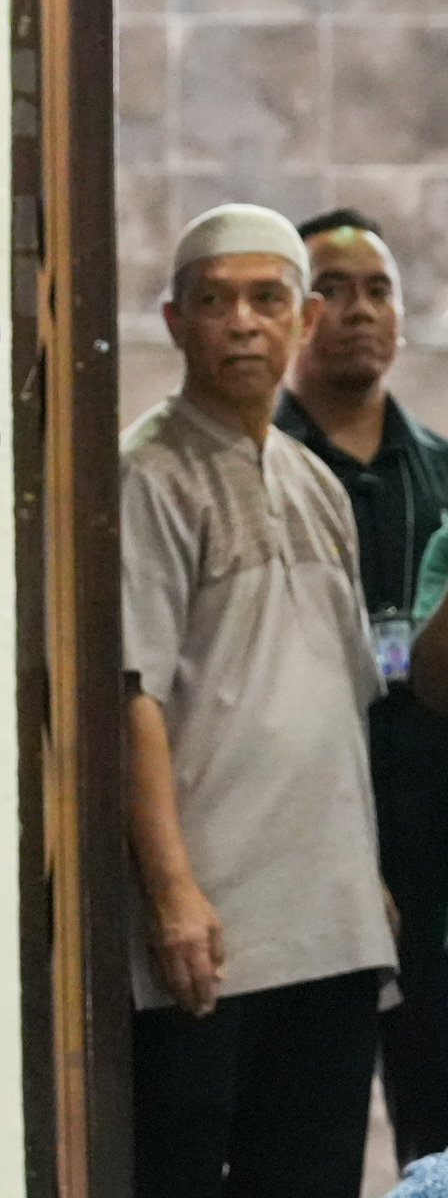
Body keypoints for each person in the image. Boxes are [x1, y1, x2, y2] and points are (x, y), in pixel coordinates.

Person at [121, 203, 396, 1198]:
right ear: (175, 318)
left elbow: (341, 703)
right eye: (216, 301)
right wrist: (171, 891)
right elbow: (130, 698)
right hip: (210, 937)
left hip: (332, 927)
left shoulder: (320, 484)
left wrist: (364, 877)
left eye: (266, 299)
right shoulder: (143, 477)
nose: (242, 321)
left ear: (300, 320)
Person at [275, 206, 448, 1166]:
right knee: (311, 1137)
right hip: (302, 856)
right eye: (329, 288)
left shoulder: (443, 476)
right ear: (298, 316)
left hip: (430, 848)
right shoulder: (260, 468)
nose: (357, 310)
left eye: (377, 289)